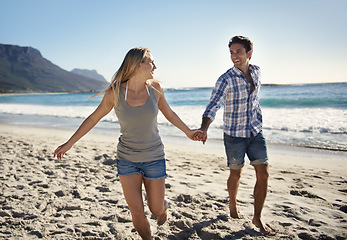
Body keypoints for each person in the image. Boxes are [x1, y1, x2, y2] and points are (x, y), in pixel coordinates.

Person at [54, 47, 202, 240]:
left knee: (156, 209)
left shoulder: (156, 88)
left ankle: (164, 208)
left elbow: (170, 114)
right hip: (127, 159)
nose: (155, 66)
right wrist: (69, 143)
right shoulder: (115, 92)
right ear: (138, 64)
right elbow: (93, 119)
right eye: (151, 62)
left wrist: (188, 132)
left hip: (154, 156)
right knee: (137, 212)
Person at [195, 36, 274, 235]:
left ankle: (257, 217)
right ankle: (232, 204)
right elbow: (212, 105)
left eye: (238, 51)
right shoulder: (225, 79)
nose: (234, 56)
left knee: (263, 174)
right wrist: (204, 128)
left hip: (255, 130)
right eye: (231, 52)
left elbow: (254, 101)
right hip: (234, 135)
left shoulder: (257, 71)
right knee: (236, 173)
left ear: (249, 53)